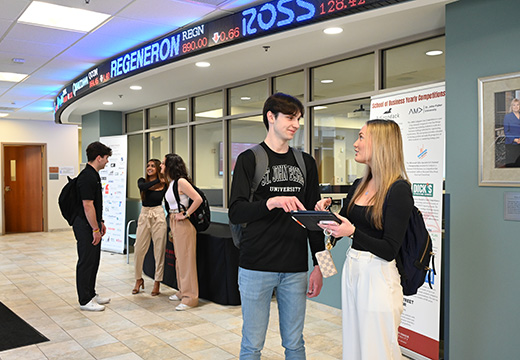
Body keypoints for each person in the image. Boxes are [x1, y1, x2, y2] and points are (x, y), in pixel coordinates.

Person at [229, 93, 324, 359]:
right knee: (252, 345)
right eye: (290, 118)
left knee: (295, 343)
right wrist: (270, 202)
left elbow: (313, 218)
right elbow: (236, 211)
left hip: (295, 269)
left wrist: (320, 266)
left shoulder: (306, 163)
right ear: (271, 117)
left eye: (298, 119)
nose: (296, 124)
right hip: (255, 266)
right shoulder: (249, 159)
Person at [316, 119, 413, 359]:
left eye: (361, 137)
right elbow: (344, 226)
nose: (355, 143)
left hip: (378, 275)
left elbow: (389, 249)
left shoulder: (398, 189)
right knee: (354, 345)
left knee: (378, 349)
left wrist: (353, 232)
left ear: (379, 144)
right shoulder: (359, 185)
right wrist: (327, 217)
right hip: (353, 270)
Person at [73, 141, 112, 311]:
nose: (107, 162)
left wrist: (100, 222)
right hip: (84, 225)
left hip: (92, 223)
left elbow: (96, 204)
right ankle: (84, 300)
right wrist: (94, 229)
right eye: (106, 158)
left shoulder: (93, 174)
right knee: (86, 261)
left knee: (93, 260)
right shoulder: (87, 176)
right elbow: (87, 205)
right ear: (98, 158)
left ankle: (91, 293)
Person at [162, 154, 202, 311]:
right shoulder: (171, 183)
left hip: (183, 223)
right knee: (179, 259)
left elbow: (197, 199)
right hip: (174, 221)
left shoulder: (181, 182)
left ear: (170, 165)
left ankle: (190, 297)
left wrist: (185, 214)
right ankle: (182, 291)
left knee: (186, 260)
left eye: (163, 163)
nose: (161, 166)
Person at [132, 159, 168, 296]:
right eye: (148, 165)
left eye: (153, 166)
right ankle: (138, 279)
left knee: (159, 249)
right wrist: (159, 179)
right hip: (144, 214)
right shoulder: (142, 181)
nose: (149, 167)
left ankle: (157, 281)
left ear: (158, 168)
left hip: (158, 214)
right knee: (138, 248)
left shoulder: (165, 185)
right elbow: (143, 187)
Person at [504, 98, 520, 165]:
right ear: (511, 106)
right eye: (514, 105)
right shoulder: (507, 117)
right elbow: (506, 131)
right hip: (512, 144)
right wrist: (515, 139)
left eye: (518, 105)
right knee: (512, 165)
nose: (516, 107)